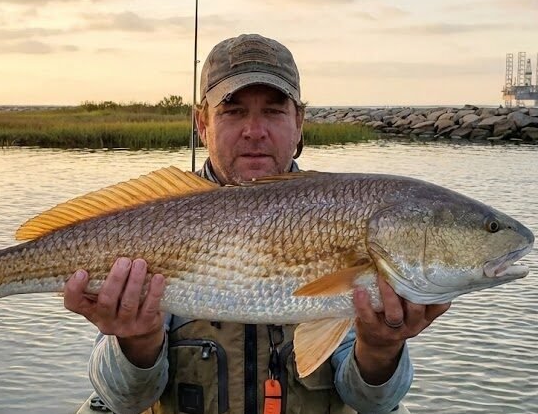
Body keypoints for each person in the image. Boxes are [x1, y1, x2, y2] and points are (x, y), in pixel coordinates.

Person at [68, 34, 451, 413]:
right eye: (232, 111)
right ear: (202, 123)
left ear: (299, 121)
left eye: (273, 110)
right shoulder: (157, 219)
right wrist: (137, 342)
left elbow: (371, 402)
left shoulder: (343, 214)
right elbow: (122, 399)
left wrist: (381, 348)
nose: (254, 130)